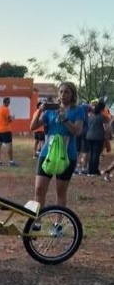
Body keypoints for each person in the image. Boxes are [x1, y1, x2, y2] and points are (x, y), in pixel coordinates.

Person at [30, 82, 83, 211]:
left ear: (72, 94)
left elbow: (77, 131)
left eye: (66, 92)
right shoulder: (51, 110)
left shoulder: (78, 110)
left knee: (61, 191)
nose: (63, 95)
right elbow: (33, 127)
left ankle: (58, 221)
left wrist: (65, 119)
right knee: (39, 189)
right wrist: (40, 110)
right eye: (61, 92)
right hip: (47, 154)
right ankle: (37, 218)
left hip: (67, 155)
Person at [85, 100, 108, 176]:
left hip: (89, 136)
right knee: (96, 154)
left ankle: (90, 170)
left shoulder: (91, 116)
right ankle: (94, 171)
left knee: (91, 153)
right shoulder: (102, 117)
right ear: (102, 108)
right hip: (98, 137)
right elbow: (106, 128)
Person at [0, 97, 17, 166]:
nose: (9, 104)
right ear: (7, 102)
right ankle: (11, 161)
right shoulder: (6, 109)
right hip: (6, 130)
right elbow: (8, 119)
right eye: (9, 102)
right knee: (9, 145)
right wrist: (12, 118)